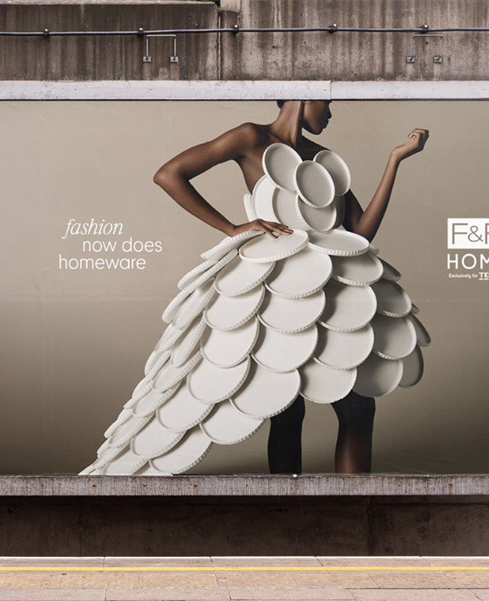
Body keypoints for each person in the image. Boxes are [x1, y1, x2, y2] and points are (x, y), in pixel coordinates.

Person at [151, 100, 429, 474]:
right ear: (302, 94)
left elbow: (360, 231)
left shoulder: (323, 158)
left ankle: (352, 508)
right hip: (279, 290)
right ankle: (291, 509)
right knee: (285, 408)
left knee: (358, 405)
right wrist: (232, 229)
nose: (330, 113)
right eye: (327, 104)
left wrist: (395, 160)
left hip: (334, 289)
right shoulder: (250, 136)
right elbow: (169, 175)